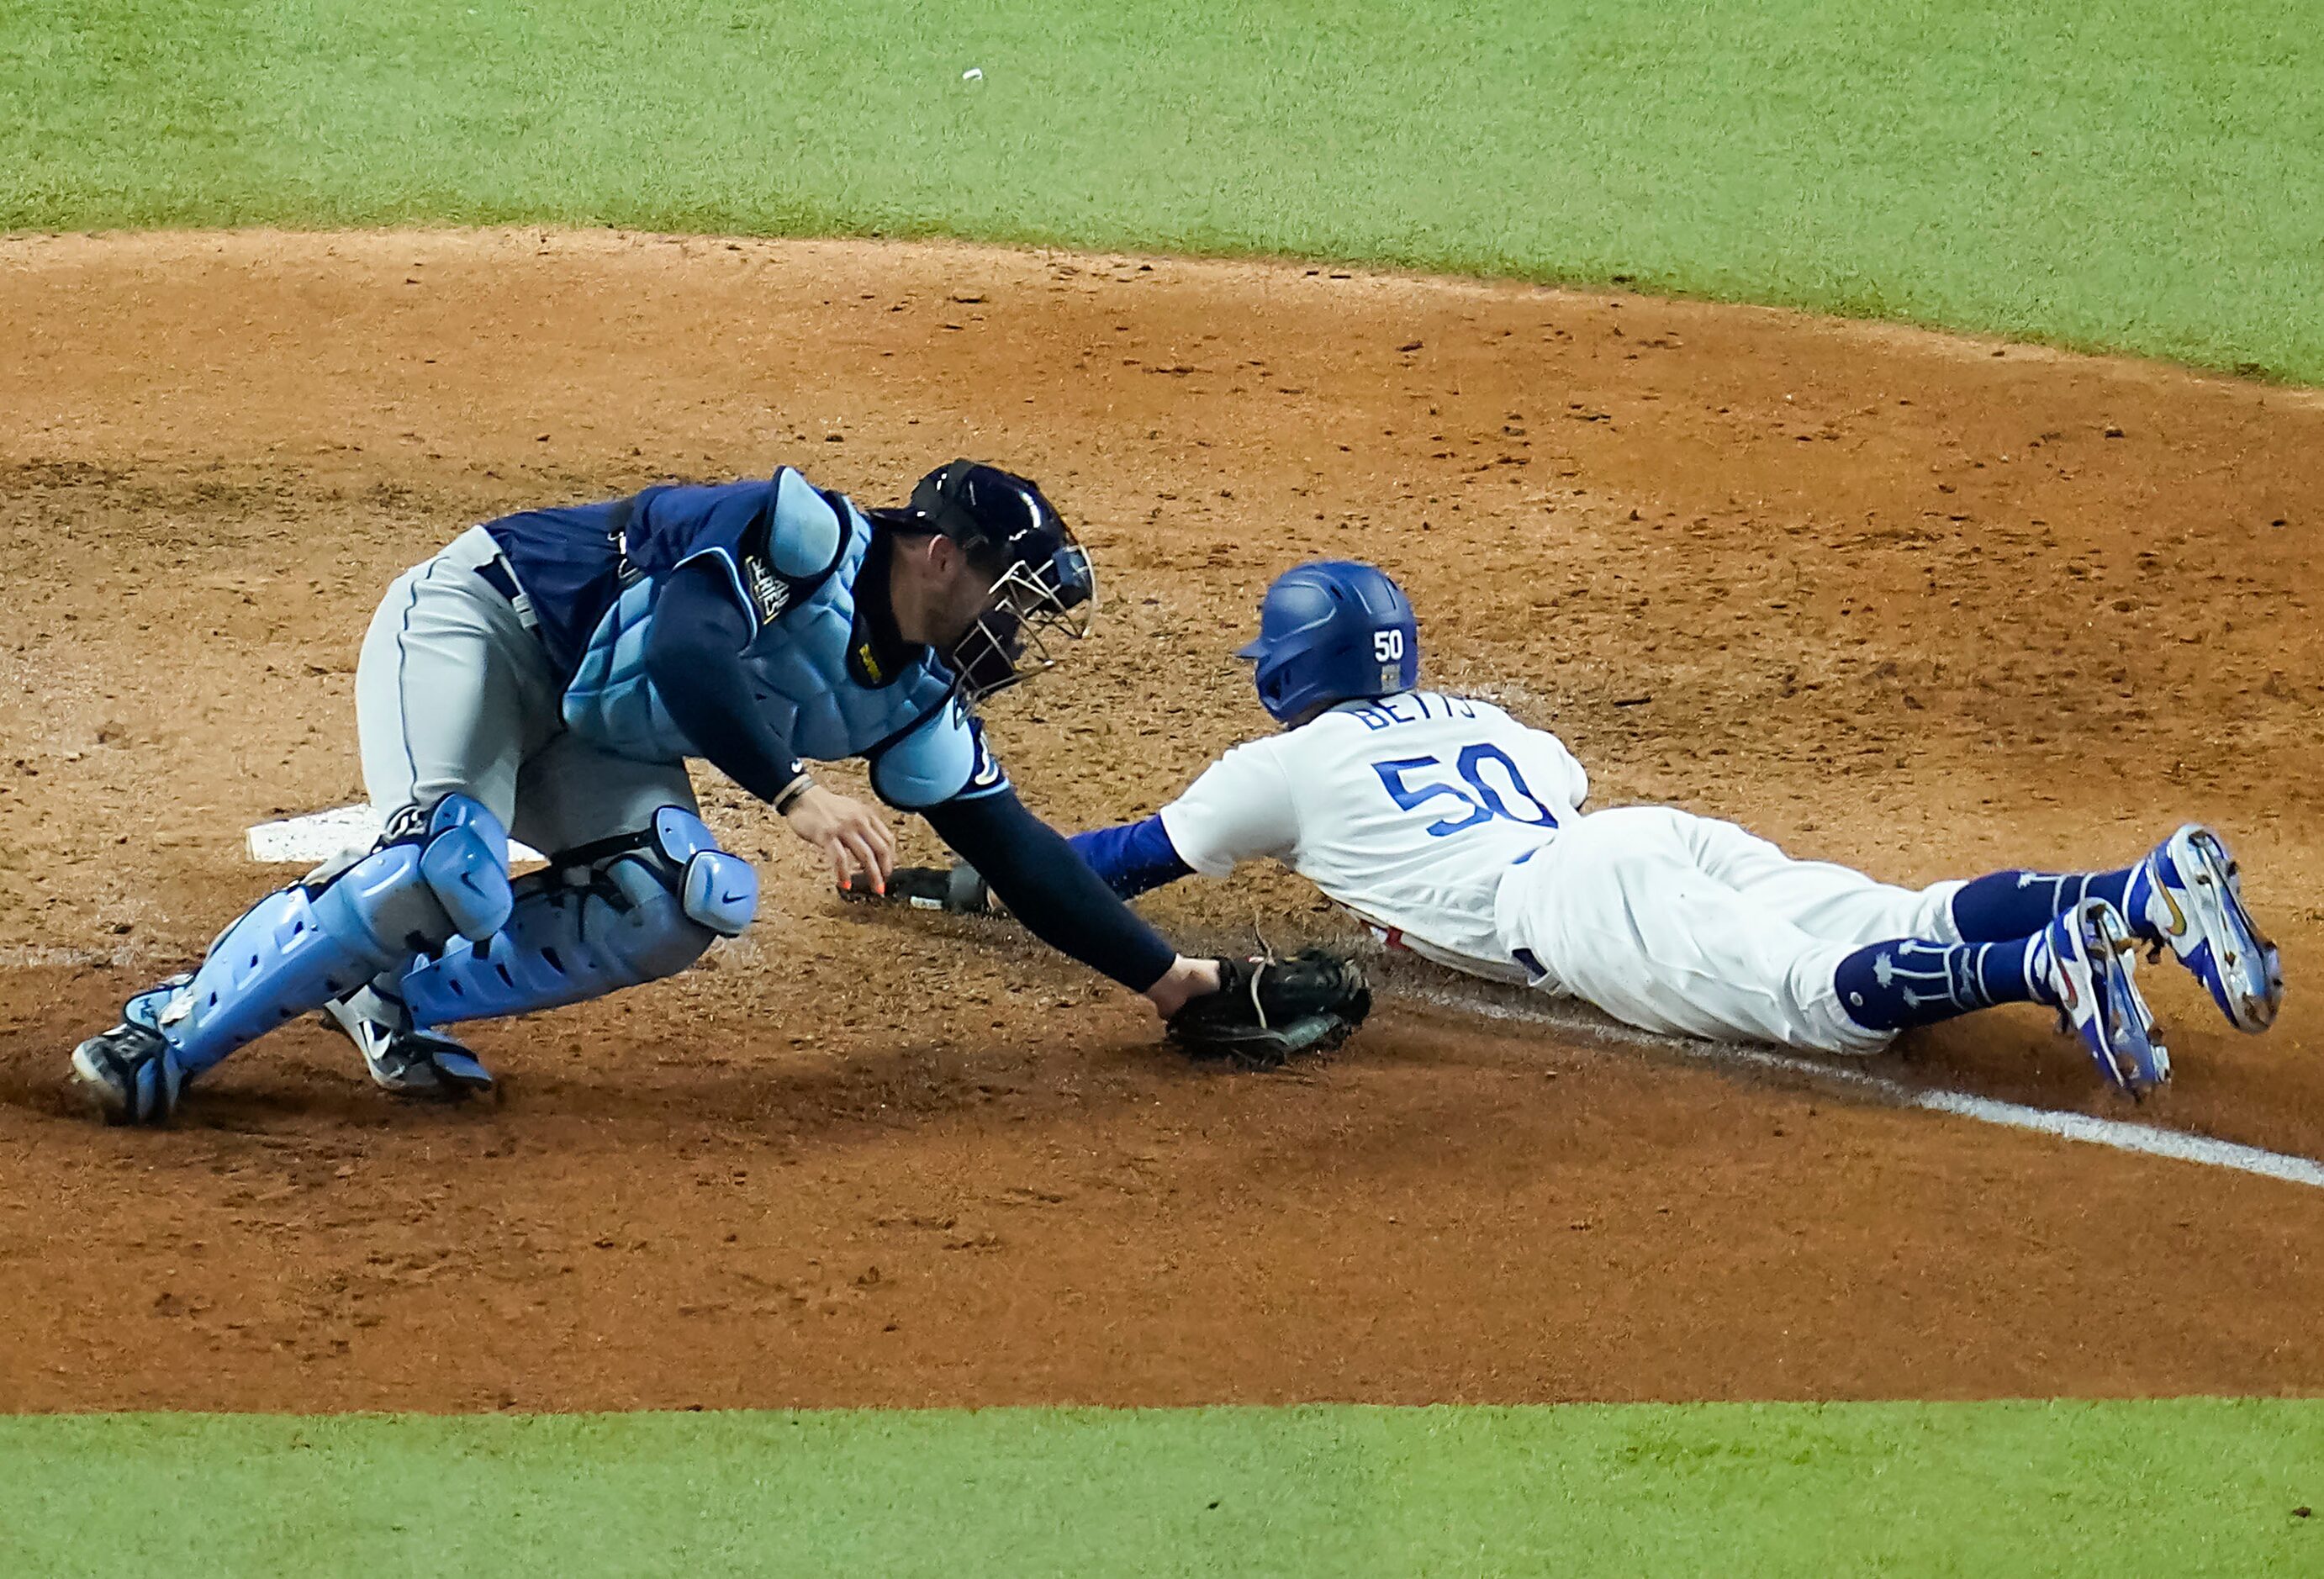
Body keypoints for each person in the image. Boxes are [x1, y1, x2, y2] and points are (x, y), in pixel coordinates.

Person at [70, 461, 1267, 1123]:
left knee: (676, 897)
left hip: (588, 727)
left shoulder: (913, 699)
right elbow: (692, 653)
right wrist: (798, 794)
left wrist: (1175, 985)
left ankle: (382, 997)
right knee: (446, 858)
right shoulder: (797, 538)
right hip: (483, 631)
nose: (1016, 627)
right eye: (1012, 591)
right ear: (942, 553)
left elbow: (1019, 852)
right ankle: (171, 1029)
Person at [859, 560, 2284, 1096]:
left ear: (1291, 672)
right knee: (1881, 913)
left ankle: (2049, 963)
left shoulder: (1273, 769)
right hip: (1653, 835)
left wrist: (978, 877)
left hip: (1580, 903)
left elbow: (1117, 866)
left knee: (1819, 1003)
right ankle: (2135, 887)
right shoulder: (1497, 720)